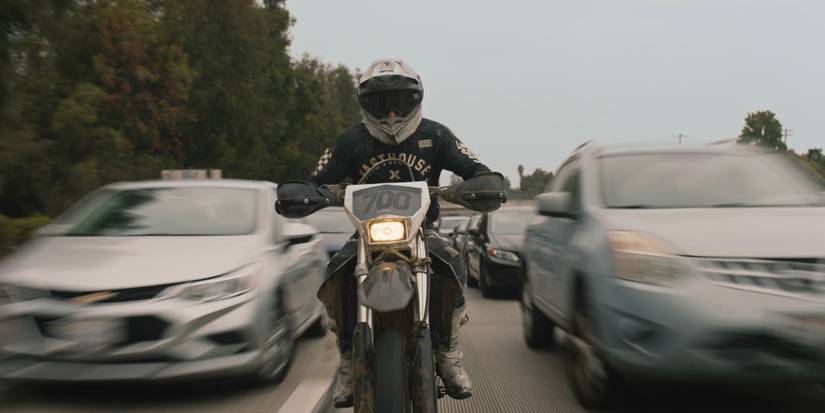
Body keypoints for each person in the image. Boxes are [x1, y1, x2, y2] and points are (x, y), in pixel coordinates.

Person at [306, 58, 502, 408]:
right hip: (366, 236)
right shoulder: (351, 141)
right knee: (334, 270)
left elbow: (477, 170)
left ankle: (448, 350)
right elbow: (315, 180)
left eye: (400, 102)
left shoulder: (436, 135)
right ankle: (349, 359)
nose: (392, 114)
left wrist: (474, 187)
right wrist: (308, 193)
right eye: (382, 104)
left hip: (422, 232)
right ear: (365, 105)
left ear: (416, 100)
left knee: (454, 264)